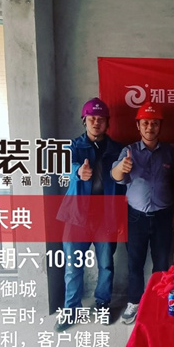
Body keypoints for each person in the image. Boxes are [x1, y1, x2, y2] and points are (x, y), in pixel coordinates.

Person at [55, 97, 125, 331]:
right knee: (73, 266)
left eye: (101, 119)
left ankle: (103, 304)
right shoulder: (73, 146)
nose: (96, 122)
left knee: (106, 265)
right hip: (77, 216)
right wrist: (78, 171)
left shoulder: (117, 149)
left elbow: (122, 185)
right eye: (92, 118)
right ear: (84, 121)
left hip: (106, 216)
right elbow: (63, 166)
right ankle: (71, 309)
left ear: (107, 123)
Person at [111, 102, 174, 324]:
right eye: (145, 123)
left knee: (161, 262)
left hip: (164, 216)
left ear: (160, 126)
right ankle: (134, 302)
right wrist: (121, 168)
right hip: (135, 217)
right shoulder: (129, 152)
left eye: (154, 123)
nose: (150, 127)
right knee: (135, 263)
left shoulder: (170, 153)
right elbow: (115, 176)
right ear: (138, 126)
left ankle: (159, 301)